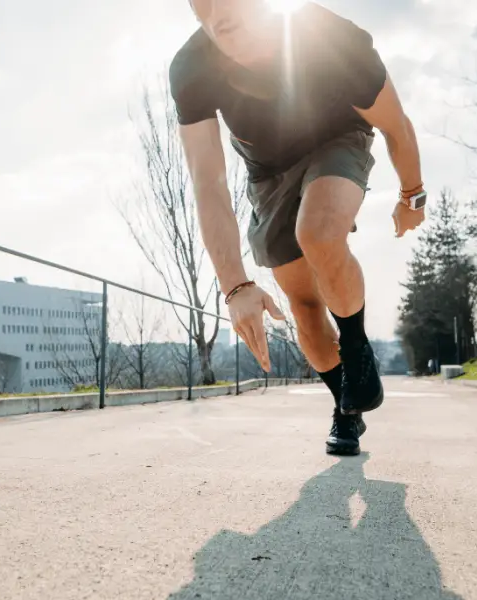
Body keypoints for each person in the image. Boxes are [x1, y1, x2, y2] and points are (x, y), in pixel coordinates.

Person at [170, 0, 427, 455]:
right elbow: (207, 183)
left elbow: (396, 126)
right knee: (304, 308)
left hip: (337, 139)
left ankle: (356, 350)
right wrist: (235, 286)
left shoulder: (330, 38)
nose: (216, 14)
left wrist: (413, 196)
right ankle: (346, 408)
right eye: (202, 7)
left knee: (318, 232)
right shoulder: (192, 68)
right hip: (267, 175)